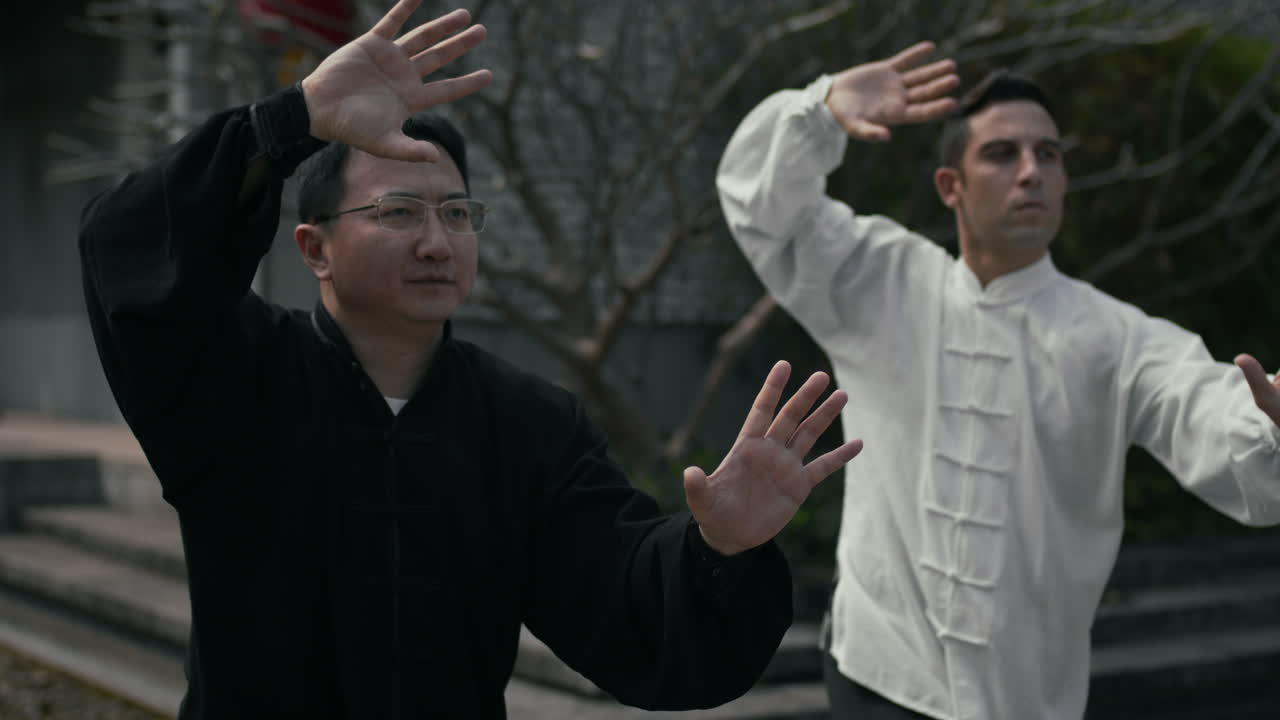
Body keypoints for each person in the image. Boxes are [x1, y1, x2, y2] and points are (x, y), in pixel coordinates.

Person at [78, 2, 865, 717]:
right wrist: (289, 119)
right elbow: (124, 247)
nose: (436, 241)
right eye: (398, 212)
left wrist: (716, 549)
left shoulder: (524, 423)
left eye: (457, 213)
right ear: (315, 248)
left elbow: (620, 597)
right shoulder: (237, 374)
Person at [717, 42, 1280, 720]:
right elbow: (761, 209)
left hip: (1028, 698)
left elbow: (1209, 409)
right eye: (1002, 154)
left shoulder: (1118, 338)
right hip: (879, 676)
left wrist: (1269, 424)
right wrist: (820, 109)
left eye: (1049, 154)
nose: (1031, 172)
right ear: (950, 186)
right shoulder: (880, 279)